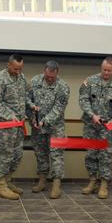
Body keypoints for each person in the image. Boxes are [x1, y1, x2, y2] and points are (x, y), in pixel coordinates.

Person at [79, 57, 112, 199]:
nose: (106, 72)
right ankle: (92, 181)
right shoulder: (90, 81)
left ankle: (104, 184)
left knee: (106, 155)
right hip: (91, 125)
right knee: (91, 154)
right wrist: (92, 114)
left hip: (107, 127)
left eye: (109, 70)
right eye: (104, 69)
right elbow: (83, 99)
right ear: (101, 67)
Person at [27, 61, 70, 199]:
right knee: (40, 153)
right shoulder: (34, 81)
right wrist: (32, 119)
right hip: (37, 127)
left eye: (52, 77)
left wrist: (45, 121)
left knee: (56, 155)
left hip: (55, 127)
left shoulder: (63, 87)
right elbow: (28, 101)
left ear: (58, 72)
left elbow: (58, 109)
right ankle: (42, 180)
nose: (49, 79)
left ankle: (56, 184)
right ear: (43, 71)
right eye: (47, 76)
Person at [0, 54, 29, 200]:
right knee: (5, 155)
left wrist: (30, 110)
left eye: (20, 69)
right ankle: (1, 186)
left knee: (17, 155)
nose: (18, 71)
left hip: (18, 126)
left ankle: (8, 180)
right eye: (15, 68)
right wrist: (9, 116)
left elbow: (24, 99)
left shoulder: (21, 78)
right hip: (5, 126)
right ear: (8, 65)